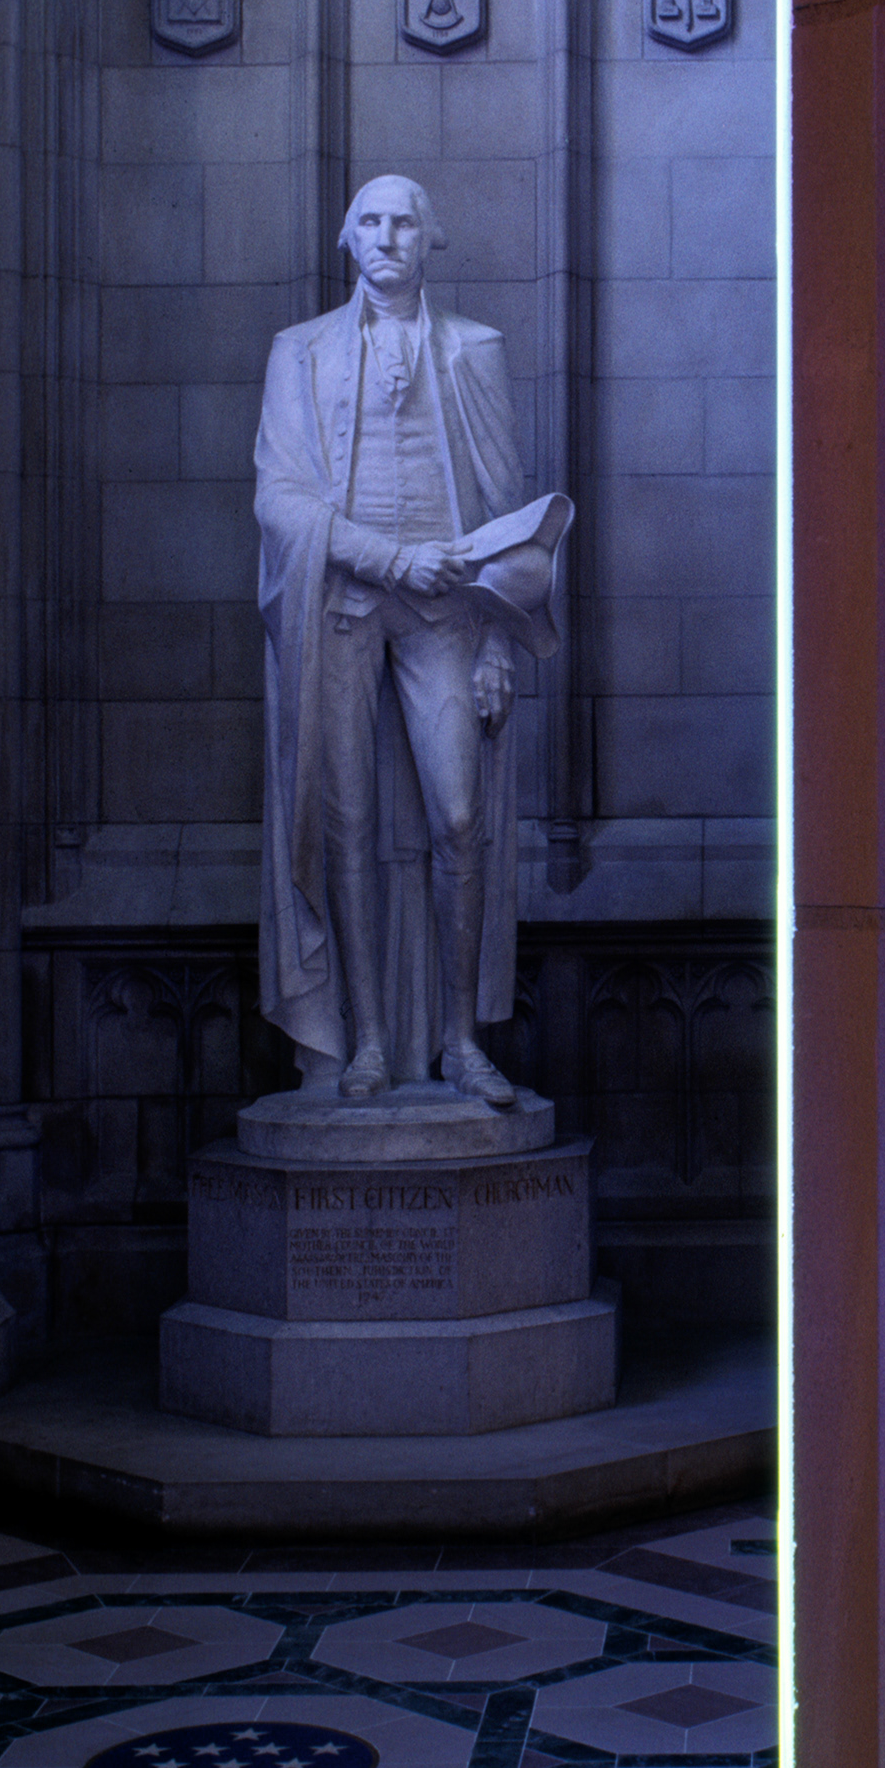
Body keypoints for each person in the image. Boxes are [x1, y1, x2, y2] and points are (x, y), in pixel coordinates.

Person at [255, 175, 569, 1105]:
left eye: (405, 222)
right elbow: (278, 499)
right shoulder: (298, 352)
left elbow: (506, 511)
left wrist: (499, 645)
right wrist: (386, 560)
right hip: (346, 604)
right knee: (345, 823)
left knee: (461, 818)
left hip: (450, 613)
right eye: (371, 222)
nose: (388, 237)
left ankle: (461, 1038)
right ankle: (369, 1040)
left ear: (431, 238)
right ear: (347, 238)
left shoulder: (475, 350)